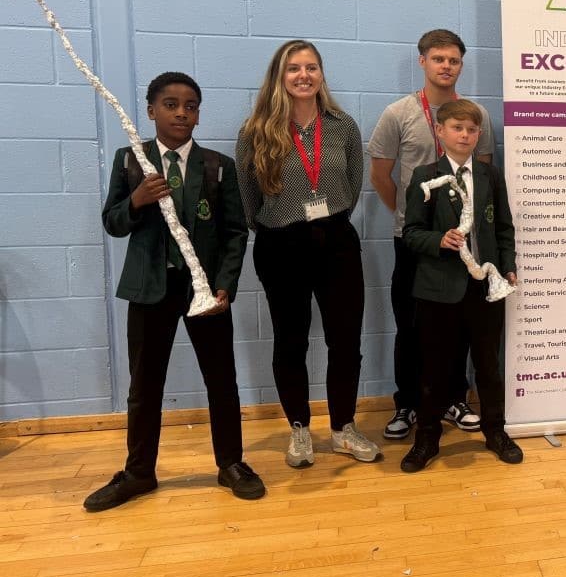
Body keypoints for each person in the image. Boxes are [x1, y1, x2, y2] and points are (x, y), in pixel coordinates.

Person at [85, 72, 264, 511]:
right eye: (170, 104)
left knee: (222, 380)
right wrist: (137, 201)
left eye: (190, 106)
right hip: (150, 289)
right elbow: (111, 223)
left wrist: (225, 283)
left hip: (204, 292)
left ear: (198, 115)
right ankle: (139, 472)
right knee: (145, 384)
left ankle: (231, 463)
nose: (181, 112)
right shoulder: (131, 161)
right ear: (151, 111)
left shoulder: (217, 166)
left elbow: (236, 232)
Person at [236, 40, 381, 467]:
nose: (304, 75)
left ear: (321, 74)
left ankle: (343, 428)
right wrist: (286, 224)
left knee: (345, 340)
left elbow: (353, 186)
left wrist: (326, 220)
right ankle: (299, 429)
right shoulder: (255, 130)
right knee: (290, 340)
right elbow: (248, 201)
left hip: (335, 241)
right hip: (282, 245)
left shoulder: (342, 125)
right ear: (279, 77)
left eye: (311, 67)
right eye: (294, 68)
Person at [368, 29, 494, 441]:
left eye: (453, 60)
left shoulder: (477, 116)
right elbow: (381, 175)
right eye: (438, 58)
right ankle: (406, 403)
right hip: (415, 241)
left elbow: (485, 177)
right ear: (422, 61)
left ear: (461, 65)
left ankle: (455, 399)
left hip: (464, 243)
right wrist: (412, 218)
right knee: (411, 326)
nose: (446, 66)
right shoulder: (398, 113)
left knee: (459, 326)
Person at [399, 99, 521, 471]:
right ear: (440, 131)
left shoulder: (490, 176)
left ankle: (495, 431)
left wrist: (508, 266)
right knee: (435, 366)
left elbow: (503, 227)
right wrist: (439, 240)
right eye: (457, 128)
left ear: (479, 134)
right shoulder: (425, 176)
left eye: (471, 129)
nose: (465, 135)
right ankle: (427, 439)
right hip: (439, 289)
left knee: (488, 364)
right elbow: (411, 233)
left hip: (484, 287)